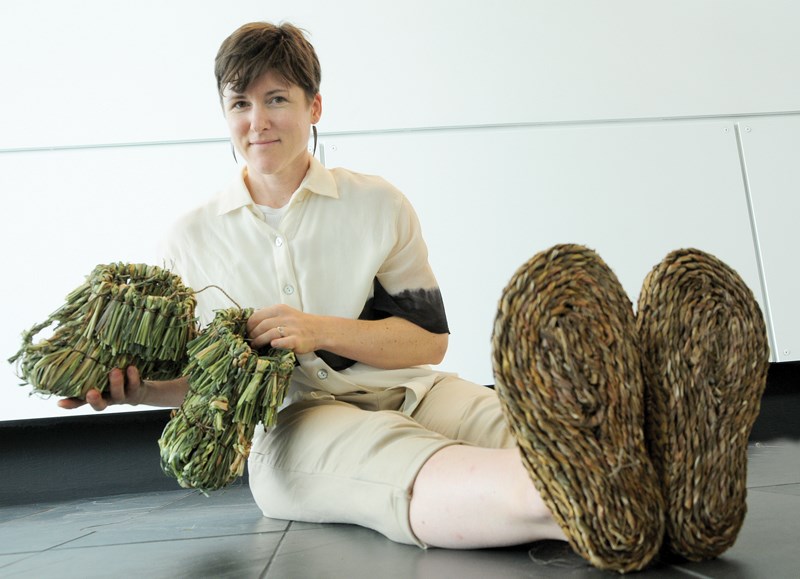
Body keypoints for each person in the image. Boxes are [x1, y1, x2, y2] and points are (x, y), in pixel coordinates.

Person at [58, 22, 769, 573]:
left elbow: (426, 340)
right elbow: (203, 383)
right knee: (403, 465)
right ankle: (595, 504)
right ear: (225, 111)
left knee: (515, 420)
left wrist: (315, 329)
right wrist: (129, 392)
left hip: (414, 384)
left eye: (276, 98)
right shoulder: (190, 237)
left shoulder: (375, 203)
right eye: (240, 103)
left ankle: (657, 470)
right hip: (298, 421)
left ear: (314, 105)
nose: (258, 121)